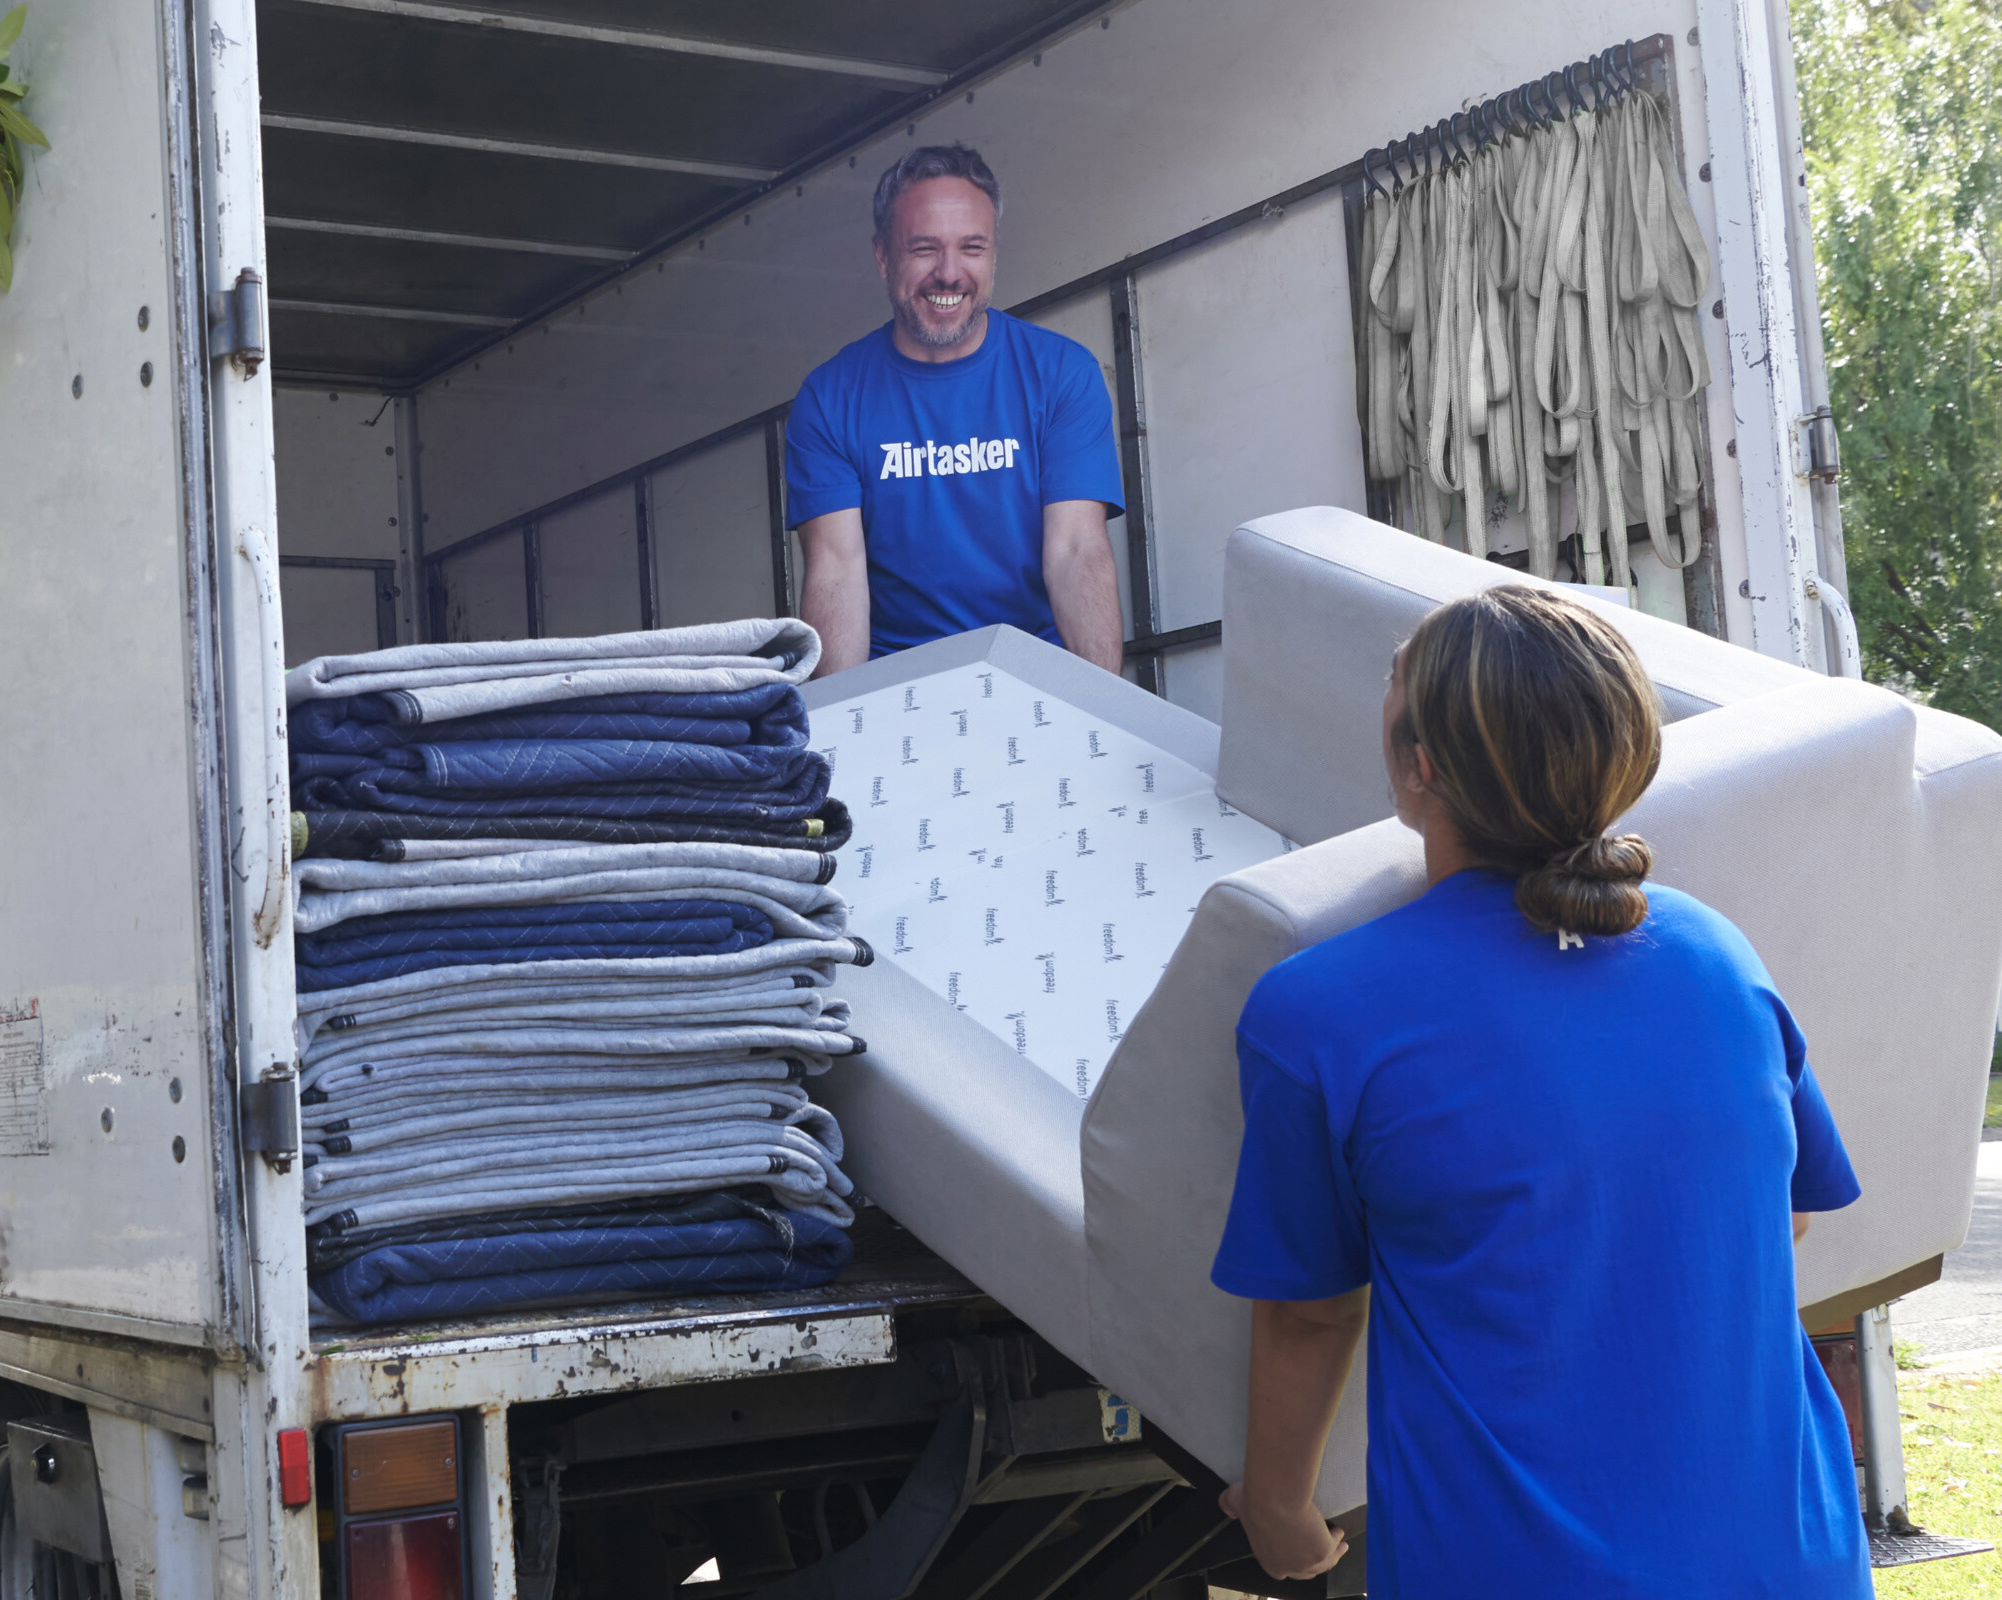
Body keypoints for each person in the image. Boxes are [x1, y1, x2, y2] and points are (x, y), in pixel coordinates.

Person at [1209, 587, 1873, 1597]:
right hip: (1791, 1562)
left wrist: (1281, 1512)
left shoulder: (1321, 1010)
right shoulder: (1718, 957)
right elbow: (1780, 1221)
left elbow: (1311, 1314)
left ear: (1420, 770)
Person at [785, 144, 1125, 677]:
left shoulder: (1062, 374)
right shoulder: (829, 399)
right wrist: (844, 732)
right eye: (924, 249)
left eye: (971, 247)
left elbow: (1077, 549)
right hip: (897, 685)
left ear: (992, 255)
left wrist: (1101, 711)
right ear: (883, 257)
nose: (949, 273)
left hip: (1035, 672)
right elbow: (836, 572)